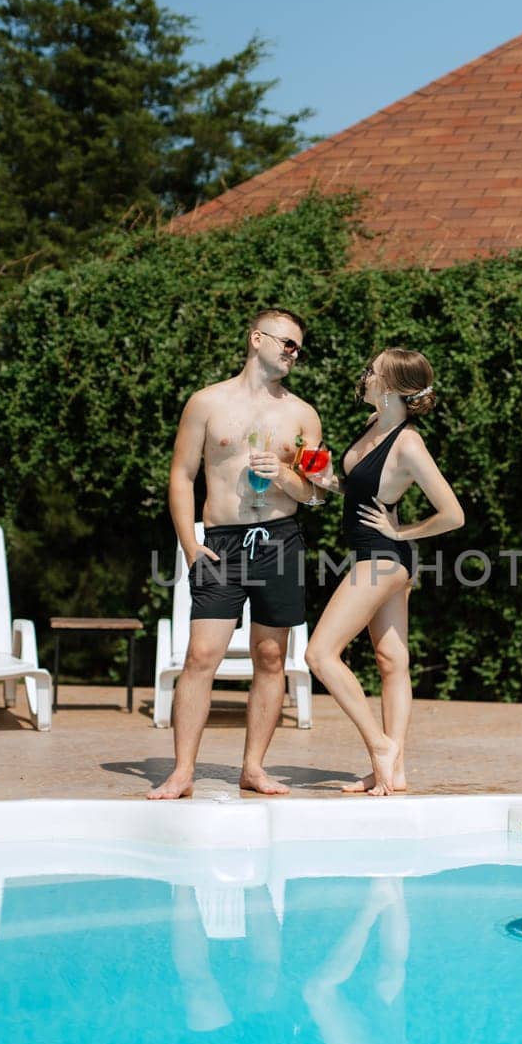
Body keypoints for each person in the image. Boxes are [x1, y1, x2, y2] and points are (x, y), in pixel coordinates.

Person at [147, 309, 321, 799]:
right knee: (201, 655)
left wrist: (287, 476)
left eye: (298, 349)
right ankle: (183, 771)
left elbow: (316, 493)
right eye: (287, 343)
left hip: (280, 540)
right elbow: (181, 476)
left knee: (271, 657)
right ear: (256, 338)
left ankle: (253, 767)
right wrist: (189, 543)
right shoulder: (206, 403)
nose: (293, 353)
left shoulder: (303, 414)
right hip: (219, 543)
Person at [303, 348, 464, 796]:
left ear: (392, 387)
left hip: (384, 558)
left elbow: (453, 514)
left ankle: (380, 747)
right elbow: (360, 493)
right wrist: (327, 481)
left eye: (372, 371)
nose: (366, 375)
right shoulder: (376, 425)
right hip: (375, 555)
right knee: (392, 662)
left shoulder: (409, 442)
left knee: (319, 654)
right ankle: (394, 772)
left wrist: (402, 528)